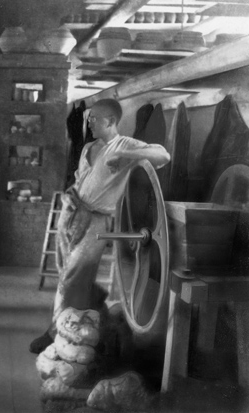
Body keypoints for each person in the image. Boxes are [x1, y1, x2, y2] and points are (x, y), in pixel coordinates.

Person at [29, 98, 171, 354]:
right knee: (67, 274)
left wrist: (125, 155)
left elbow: (163, 154)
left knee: (73, 276)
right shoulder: (88, 148)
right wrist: (68, 196)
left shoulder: (125, 144)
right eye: (88, 118)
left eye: (93, 118)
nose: (88, 121)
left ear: (111, 121)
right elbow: (80, 180)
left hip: (98, 219)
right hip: (72, 212)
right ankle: (90, 310)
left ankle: (54, 332)